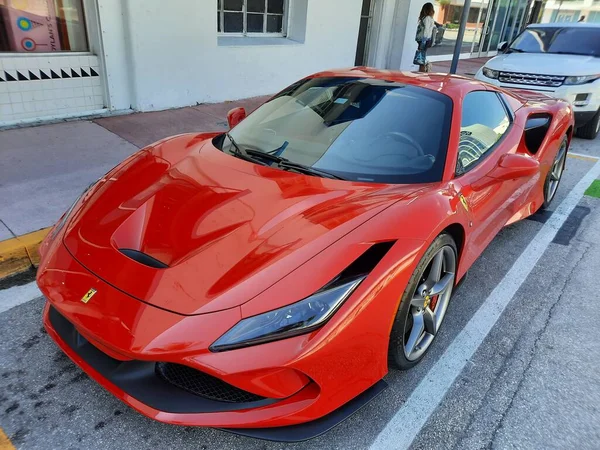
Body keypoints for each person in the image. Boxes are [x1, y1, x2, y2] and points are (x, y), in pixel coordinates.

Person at [414, 3, 435, 73]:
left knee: (421, 58)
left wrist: (423, 41)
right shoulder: (429, 18)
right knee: (422, 56)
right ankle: (422, 71)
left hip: (423, 40)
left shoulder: (426, 18)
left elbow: (426, 30)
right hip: (425, 40)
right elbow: (428, 30)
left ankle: (422, 71)